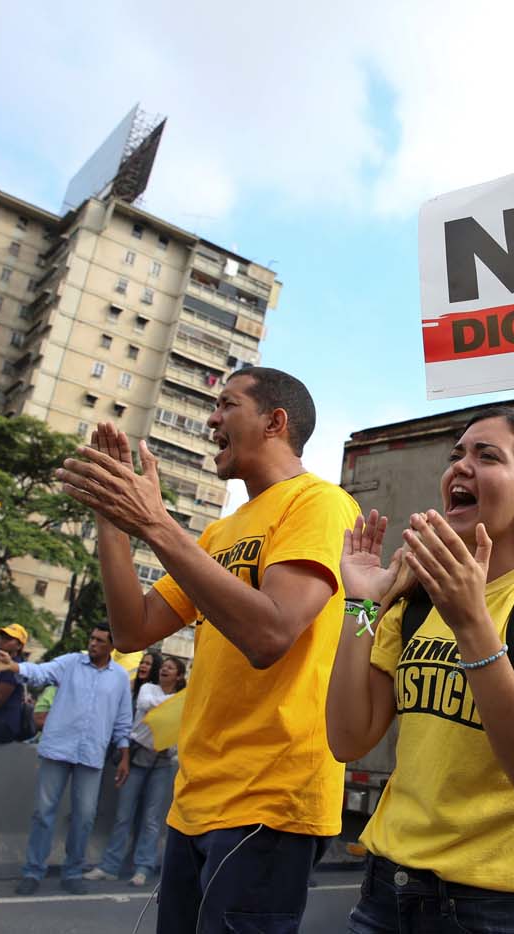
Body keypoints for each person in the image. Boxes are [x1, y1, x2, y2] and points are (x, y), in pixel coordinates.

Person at [55, 366, 359, 933]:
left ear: (275, 422)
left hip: (270, 799)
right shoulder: (220, 533)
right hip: (196, 797)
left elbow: (270, 636)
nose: (211, 418)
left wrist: (156, 523)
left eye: (228, 405)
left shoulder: (321, 503)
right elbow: (133, 628)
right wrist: (114, 519)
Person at [328, 406, 514, 933]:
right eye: (456, 454)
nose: (461, 466)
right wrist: (362, 604)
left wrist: (472, 623)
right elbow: (347, 738)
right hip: (386, 887)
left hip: (499, 905)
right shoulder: (414, 605)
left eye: (487, 456)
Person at [0, 622, 132, 896]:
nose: (93, 644)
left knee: (85, 817)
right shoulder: (70, 663)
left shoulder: (120, 679)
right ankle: (32, 871)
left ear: (112, 646)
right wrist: (15, 667)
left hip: (91, 754)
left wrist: (124, 754)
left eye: (101, 641)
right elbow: (40, 673)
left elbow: (123, 720)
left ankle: (73, 871)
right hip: (58, 748)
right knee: (43, 813)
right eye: (92, 638)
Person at [85, 655, 187, 886]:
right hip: (137, 758)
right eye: (164, 667)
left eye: (171, 668)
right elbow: (144, 705)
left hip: (161, 763)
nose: (165, 670)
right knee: (123, 815)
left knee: (151, 819)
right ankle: (109, 866)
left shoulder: (182, 700)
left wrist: (174, 709)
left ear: (179, 676)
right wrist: (173, 708)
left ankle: (143, 866)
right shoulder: (149, 689)